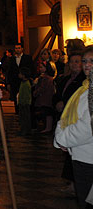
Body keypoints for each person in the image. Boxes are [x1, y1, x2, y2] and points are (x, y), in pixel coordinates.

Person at [54, 45, 93, 208]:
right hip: (81, 154)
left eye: (92, 61)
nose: (87, 65)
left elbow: (87, 127)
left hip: (88, 157)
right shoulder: (86, 87)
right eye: (84, 61)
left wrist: (62, 138)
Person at [5, 43, 34, 111]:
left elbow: (31, 68)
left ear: (22, 49)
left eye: (19, 48)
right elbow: (9, 71)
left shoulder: (27, 58)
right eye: (16, 48)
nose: (17, 50)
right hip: (15, 81)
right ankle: (17, 111)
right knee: (16, 97)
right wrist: (8, 82)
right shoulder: (12, 59)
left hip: (25, 80)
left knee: (25, 96)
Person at [33, 62, 55, 133]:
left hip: (45, 97)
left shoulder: (45, 78)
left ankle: (48, 127)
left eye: (41, 67)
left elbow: (42, 87)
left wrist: (36, 92)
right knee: (46, 113)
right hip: (46, 97)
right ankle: (46, 127)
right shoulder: (47, 77)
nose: (40, 69)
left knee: (47, 113)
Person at [18, 68, 33, 136]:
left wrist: (24, 102)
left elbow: (27, 95)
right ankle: (23, 129)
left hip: (25, 103)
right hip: (22, 102)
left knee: (25, 117)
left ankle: (25, 130)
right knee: (22, 117)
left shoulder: (26, 84)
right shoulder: (23, 82)